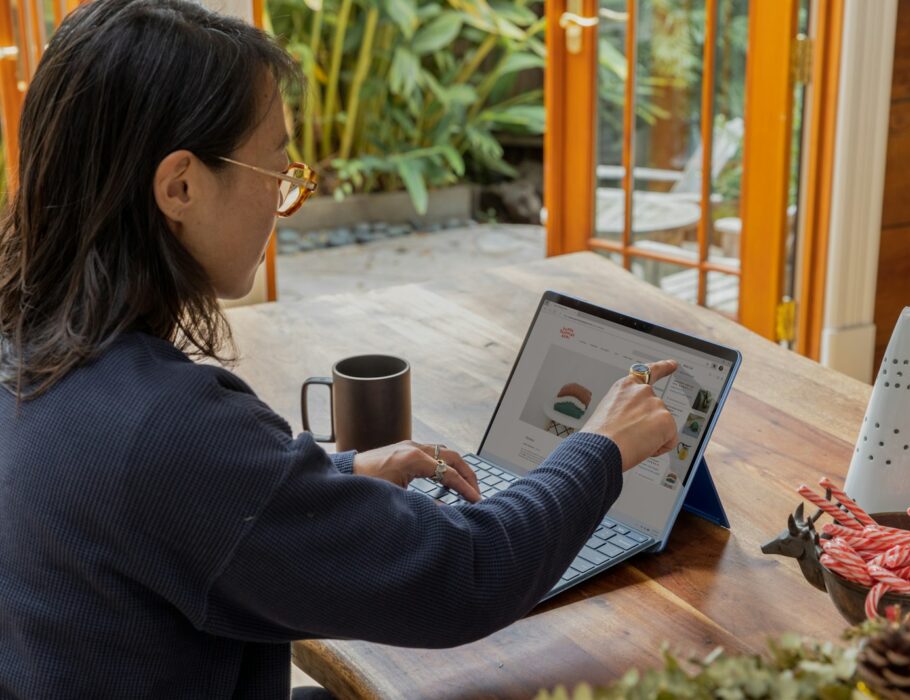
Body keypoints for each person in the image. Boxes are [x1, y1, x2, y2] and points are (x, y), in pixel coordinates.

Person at [0, 0, 680, 697]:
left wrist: (336, 477)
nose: (281, 201)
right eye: (276, 170)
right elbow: (467, 574)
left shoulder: (26, 347)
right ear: (180, 186)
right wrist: (602, 445)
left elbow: (161, 508)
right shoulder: (165, 426)